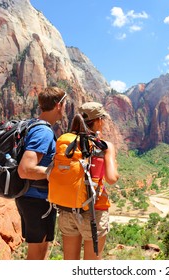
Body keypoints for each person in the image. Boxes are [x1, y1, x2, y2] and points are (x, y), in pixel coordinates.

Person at [58, 101, 119, 260]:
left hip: (67, 208)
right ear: (98, 120)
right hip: (94, 210)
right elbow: (112, 178)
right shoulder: (105, 145)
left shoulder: (66, 142)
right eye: (102, 119)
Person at [16, 86, 67, 260]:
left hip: (35, 199)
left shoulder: (35, 126)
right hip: (35, 200)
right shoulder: (43, 132)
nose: (65, 109)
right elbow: (25, 169)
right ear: (58, 105)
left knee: (40, 252)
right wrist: (56, 173)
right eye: (65, 104)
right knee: (36, 256)